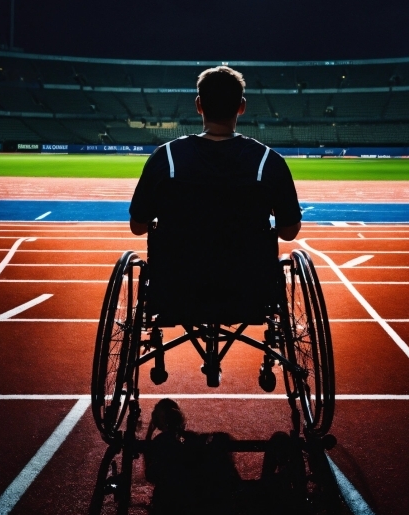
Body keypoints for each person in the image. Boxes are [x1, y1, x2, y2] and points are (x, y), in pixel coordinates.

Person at [129, 66, 302, 324]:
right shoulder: (268, 161)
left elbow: (138, 226)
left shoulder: (166, 157)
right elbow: (289, 231)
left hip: (176, 290)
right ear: (241, 106)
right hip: (249, 291)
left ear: (199, 105)